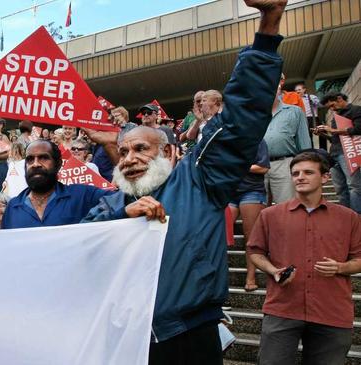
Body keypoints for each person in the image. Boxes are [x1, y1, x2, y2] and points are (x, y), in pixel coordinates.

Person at [81, 1, 287, 361]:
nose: (129, 159)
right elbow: (83, 246)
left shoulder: (199, 180)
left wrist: (268, 26)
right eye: (124, 152)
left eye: (141, 149)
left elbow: (242, 118)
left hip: (189, 336)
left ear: (170, 153)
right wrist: (125, 216)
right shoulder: (112, 203)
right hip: (126, 338)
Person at [247, 151, 361, 364]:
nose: (300, 177)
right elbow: (255, 252)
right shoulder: (270, 215)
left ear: (325, 177)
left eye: (308, 172)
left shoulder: (349, 218)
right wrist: (273, 270)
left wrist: (340, 267)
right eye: (295, 173)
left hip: (331, 311)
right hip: (282, 308)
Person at [1, 140, 114, 229]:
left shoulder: (83, 196)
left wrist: (110, 145)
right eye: (30, 159)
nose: (35, 164)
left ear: (58, 164)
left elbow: (124, 200)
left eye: (43, 158)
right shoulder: (12, 207)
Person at [228, 141, 270, 291]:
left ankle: (251, 277)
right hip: (229, 191)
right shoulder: (228, 141)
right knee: (220, 234)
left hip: (252, 190)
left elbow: (263, 167)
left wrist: (239, 167)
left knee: (250, 237)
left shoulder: (257, 141)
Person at [263, 76, 311, 204]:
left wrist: (305, 170)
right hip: (257, 166)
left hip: (285, 164)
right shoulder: (252, 115)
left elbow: (304, 145)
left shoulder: (295, 112)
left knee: (288, 209)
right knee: (257, 215)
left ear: (279, 88)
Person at [316, 92, 361, 214]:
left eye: (332, 105)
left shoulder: (356, 110)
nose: (332, 109)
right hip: (334, 154)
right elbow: (335, 138)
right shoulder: (336, 117)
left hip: (348, 153)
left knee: (354, 186)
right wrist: (323, 134)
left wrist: (332, 129)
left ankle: (356, 216)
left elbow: (358, 129)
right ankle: (345, 215)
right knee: (340, 188)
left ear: (340, 99)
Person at [295, 82, 325, 148]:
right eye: (296, 90)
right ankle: (311, 150)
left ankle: (323, 149)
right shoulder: (296, 99)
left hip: (313, 118)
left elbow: (320, 105)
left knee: (322, 132)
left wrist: (314, 101)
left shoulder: (311, 97)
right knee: (308, 136)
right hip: (303, 119)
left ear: (304, 89)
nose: (297, 91)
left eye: (299, 89)